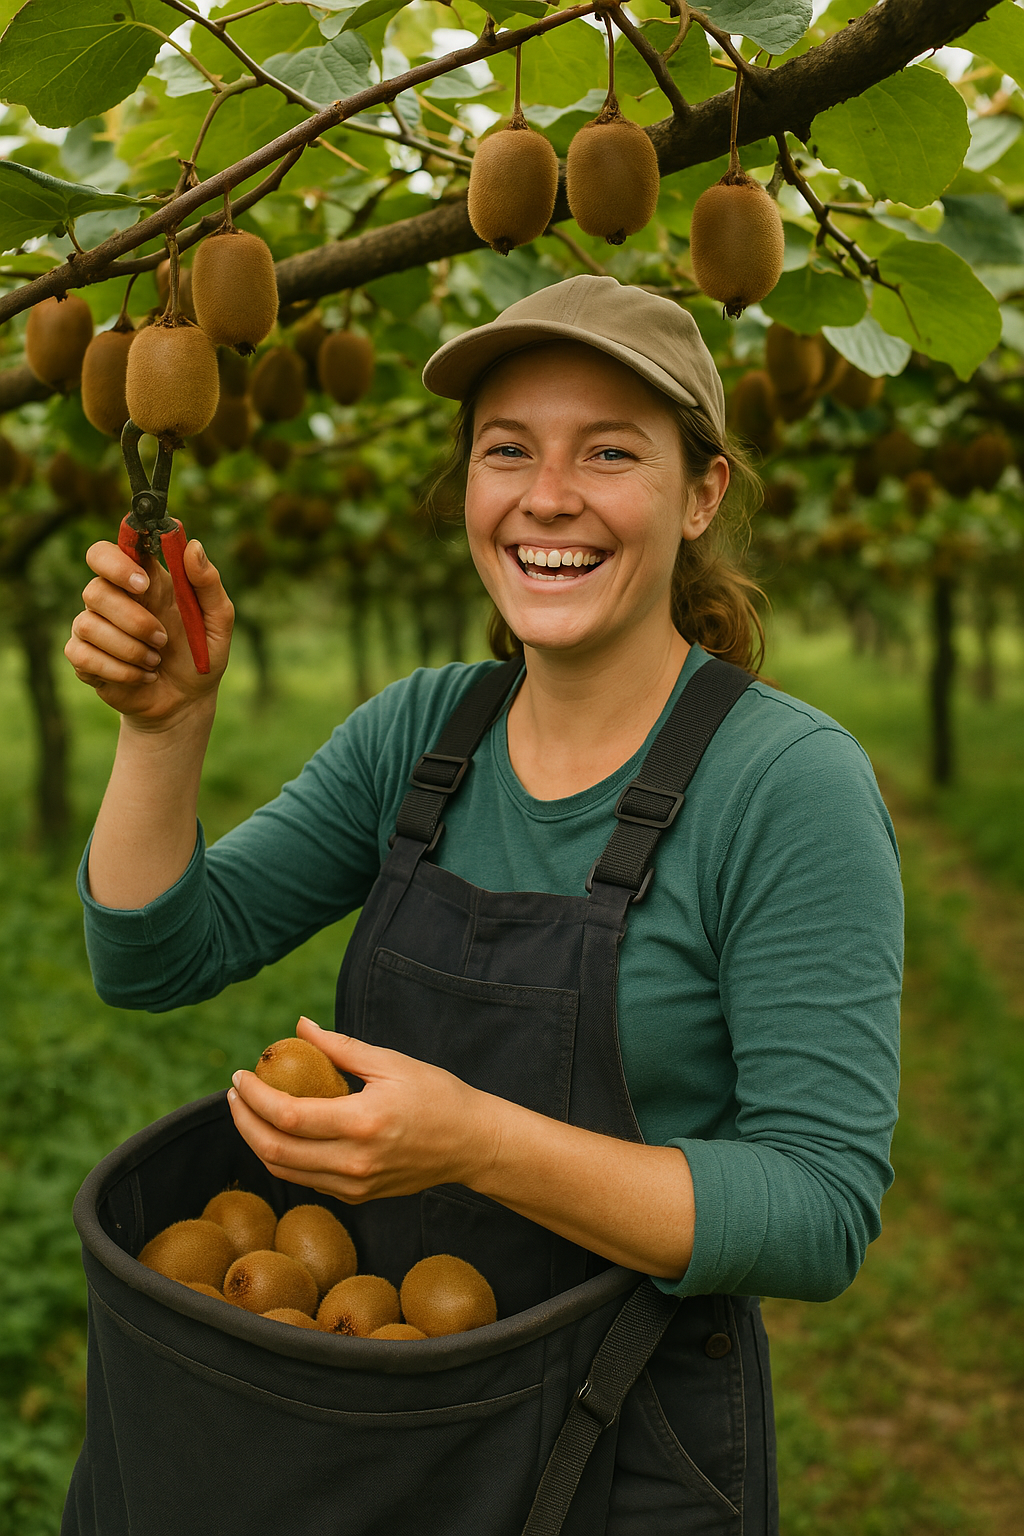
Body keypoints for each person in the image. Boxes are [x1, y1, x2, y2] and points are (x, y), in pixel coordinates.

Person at [65, 276, 902, 1535]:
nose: (546, 497)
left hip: (619, 1447)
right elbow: (158, 955)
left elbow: (820, 1208)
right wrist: (165, 728)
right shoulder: (420, 732)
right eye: (507, 451)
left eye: (608, 453)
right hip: (375, 1417)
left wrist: (478, 1145)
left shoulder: (784, 785)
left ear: (701, 493)